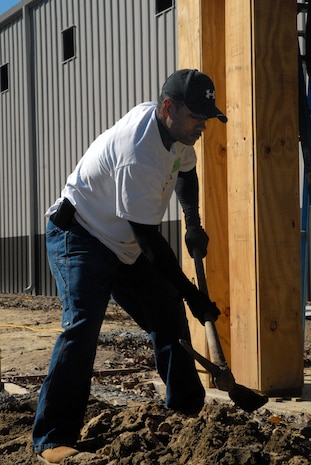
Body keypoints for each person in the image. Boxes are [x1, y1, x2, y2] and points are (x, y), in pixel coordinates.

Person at [33, 68, 227, 465]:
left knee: (165, 310)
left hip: (120, 238)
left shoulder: (177, 133)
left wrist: (193, 224)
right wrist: (193, 295)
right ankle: (52, 439)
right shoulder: (137, 154)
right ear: (168, 107)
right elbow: (150, 242)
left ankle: (187, 412)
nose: (202, 127)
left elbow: (186, 173)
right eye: (196, 117)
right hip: (80, 234)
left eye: (207, 118)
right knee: (83, 325)